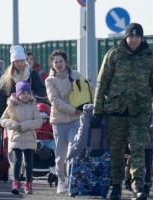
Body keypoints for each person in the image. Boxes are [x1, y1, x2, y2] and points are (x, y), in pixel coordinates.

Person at [91, 23, 153, 200]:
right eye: (131, 37)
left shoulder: (150, 57)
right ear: (125, 38)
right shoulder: (114, 54)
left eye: (137, 37)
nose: (134, 40)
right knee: (116, 150)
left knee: (138, 148)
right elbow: (102, 84)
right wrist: (97, 111)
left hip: (139, 112)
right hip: (116, 111)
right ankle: (116, 185)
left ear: (142, 38)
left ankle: (138, 186)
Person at [45, 50, 88, 194]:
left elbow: (88, 89)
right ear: (52, 64)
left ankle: (72, 180)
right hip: (59, 121)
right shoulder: (49, 80)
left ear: (66, 62)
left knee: (73, 149)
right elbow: (55, 101)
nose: (58, 64)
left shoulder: (75, 75)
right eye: (55, 62)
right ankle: (61, 180)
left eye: (61, 61)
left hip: (75, 121)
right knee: (61, 153)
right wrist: (75, 110)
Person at [0, 80, 42, 195]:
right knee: (17, 161)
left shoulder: (34, 107)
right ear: (18, 94)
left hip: (29, 138)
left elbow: (38, 122)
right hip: (16, 138)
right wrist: (12, 124)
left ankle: (28, 184)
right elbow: (3, 120)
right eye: (23, 93)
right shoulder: (11, 106)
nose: (25, 95)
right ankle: (15, 182)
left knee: (29, 162)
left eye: (27, 93)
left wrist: (24, 126)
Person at [0, 45, 47, 132]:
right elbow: (1, 99)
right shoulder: (7, 77)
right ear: (13, 62)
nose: (19, 63)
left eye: (21, 61)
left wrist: (32, 98)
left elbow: (41, 90)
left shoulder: (31, 74)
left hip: (29, 114)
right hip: (13, 115)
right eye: (17, 61)